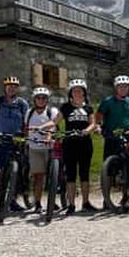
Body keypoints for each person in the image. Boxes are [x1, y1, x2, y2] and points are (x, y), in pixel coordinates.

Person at [0, 76, 29, 219]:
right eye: (9, 87)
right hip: (1, 140)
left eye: (14, 87)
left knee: (19, 171)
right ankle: (1, 202)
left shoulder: (22, 103)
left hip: (17, 140)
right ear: (5, 88)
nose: (11, 89)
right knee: (2, 172)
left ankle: (13, 200)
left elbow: (26, 123)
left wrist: (25, 137)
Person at [51, 78, 98, 215]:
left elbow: (93, 124)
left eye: (80, 91)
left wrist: (86, 131)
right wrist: (41, 127)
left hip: (85, 144)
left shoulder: (88, 108)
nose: (77, 93)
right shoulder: (65, 107)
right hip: (69, 144)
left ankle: (85, 202)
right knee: (70, 175)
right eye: (75, 91)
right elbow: (55, 121)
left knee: (84, 174)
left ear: (84, 93)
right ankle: (71, 205)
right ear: (71, 93)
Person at [25, 86, 59, 213]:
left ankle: (52, 200)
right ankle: (38, 203)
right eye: (38, 98)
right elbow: (26, 127)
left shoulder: (52, 111)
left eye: (43, 98)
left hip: (49, 147)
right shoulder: (29, 113)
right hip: (34, 147)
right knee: (38, 176)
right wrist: (25, 140)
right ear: (34, 99)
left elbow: (53, 125)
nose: (41, 100)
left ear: (47, 99)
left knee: (52, 176)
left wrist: (49, 136)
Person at [96, 75, 129, 162]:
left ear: (128, 88)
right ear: (116, 88)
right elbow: (98, 117)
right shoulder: (107, 102)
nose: (123, 89)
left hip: (128, 134)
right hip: (111, 134)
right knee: (110, 161)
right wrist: (98, 127)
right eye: (120, 86)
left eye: (125, 86)